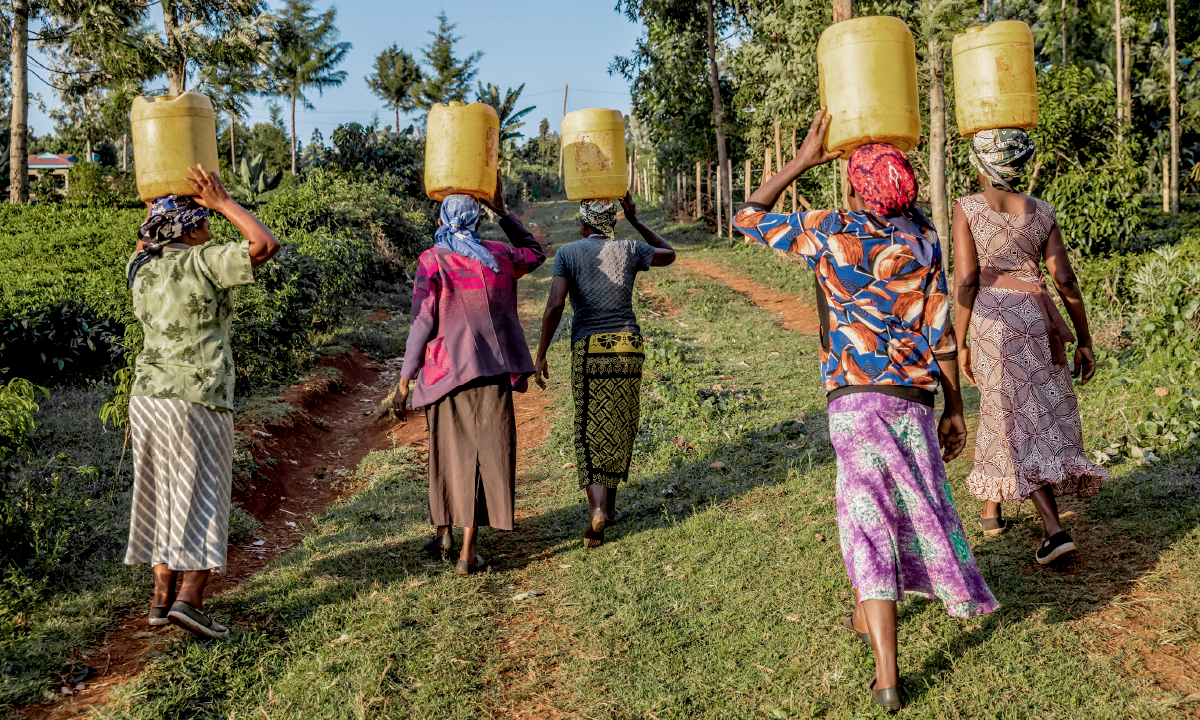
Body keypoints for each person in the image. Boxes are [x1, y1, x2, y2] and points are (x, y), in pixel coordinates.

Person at [734, 110, 998, 713]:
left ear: (855, 184)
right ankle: (873, 612)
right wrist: (955, 406)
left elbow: (745, 216)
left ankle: (887, 675)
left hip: (853, 399)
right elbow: (941, 329)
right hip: (913, 396)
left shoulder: (830, 230)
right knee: (914, 506)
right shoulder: (925, 236)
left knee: (867, 520)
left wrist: (802, 161)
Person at [124, 165, 281, 638]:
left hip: (148, 398)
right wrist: (223, 202)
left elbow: (147, 237)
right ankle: (190, 600)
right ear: (190, 226)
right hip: (198, 399)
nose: (210, 229)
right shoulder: (205, 261)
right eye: (204, 222)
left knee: (161, 494)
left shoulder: (139, 267)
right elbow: (265, 245)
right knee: (204, 494)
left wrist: (160, 202)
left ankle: (158, 601)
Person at [951, 128, 1108, 563]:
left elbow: (965, 280)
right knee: (1021, 410)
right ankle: (991, 506)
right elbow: (1064, 279)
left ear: (979, 164)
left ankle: (1054, 530)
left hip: (992, 320)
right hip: (1037, 319)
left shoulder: (967, 208)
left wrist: (959, 339)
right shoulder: (1042, 211)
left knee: (1009, 414)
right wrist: (1085, 339)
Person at [391, 181, 545, 575]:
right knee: (485, 456)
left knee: (449, 455)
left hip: (445, 373)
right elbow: (536, 253)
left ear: (442, 219)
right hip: (492, 371)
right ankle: (464, 551)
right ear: (477, 219)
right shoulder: (499, 256)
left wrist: (405, 378)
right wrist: (505, 212)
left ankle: (447, 534)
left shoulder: (433, 260)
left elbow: (423, 320)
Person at [533, 192, 675, 548]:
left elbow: (554, 306)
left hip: (590, 348)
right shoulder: (629, 248)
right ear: (613, 222)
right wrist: (638, 220)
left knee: (588, 427)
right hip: (628, 346)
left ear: (582, 224)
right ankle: (607, 510)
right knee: (619, 423)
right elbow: (668, 254)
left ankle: (597, 507)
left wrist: (541, 353)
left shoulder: (568, 253)